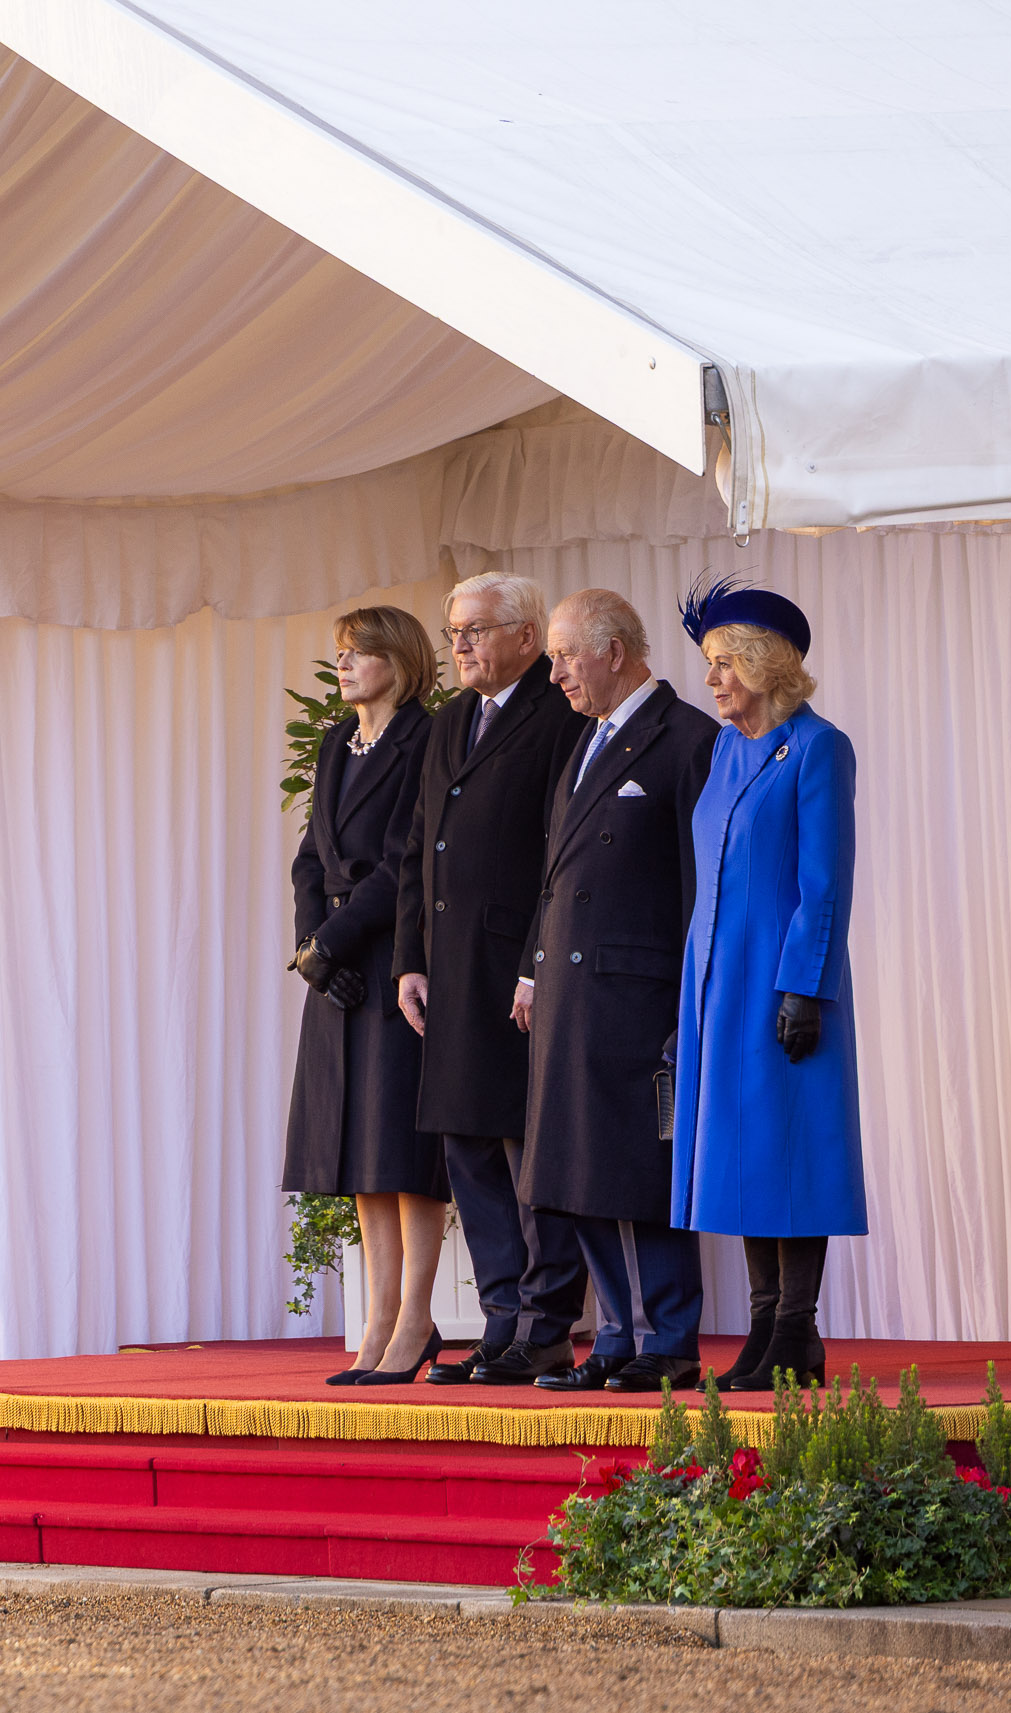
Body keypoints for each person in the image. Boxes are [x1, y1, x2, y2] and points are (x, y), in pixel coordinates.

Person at [515, 591, 720, 1394]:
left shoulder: (686, 740)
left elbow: (700, 885)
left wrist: (688, 1003)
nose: (556, 671)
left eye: (565, 654)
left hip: (641, 996)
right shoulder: (584, 741)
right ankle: (615, 1336)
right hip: (570, 994)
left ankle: (667, 1338)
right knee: (579, 1171)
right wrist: (533, 968)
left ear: (613, 649)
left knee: (644, 1172)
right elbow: (556, 873)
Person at [393, 571, 589, 1387]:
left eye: (475, 629)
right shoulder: (449, 720)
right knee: (468, 1145)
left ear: (526, 636)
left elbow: (563, 855)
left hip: (517, 971)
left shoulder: (558, 717)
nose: (462, 644)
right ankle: (503, 1316)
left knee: (526, 1148)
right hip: (449, 971)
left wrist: (536, 962)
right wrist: (409, 956)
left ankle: (545, 1321)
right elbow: (418, 845)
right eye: (454, 632)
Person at [674, 579, 864, 1392]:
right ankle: (763, 1327)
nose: (713, 679)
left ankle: (797, 1328)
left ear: (765, 663)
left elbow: (824, 881)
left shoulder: (819, 747)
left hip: (786, 983)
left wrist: (804, 986)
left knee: (794, 1150)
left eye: (725, 663)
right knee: (744, 1158)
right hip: (718, 982)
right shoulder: (726, 748)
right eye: (710, 664)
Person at [281, 606, 448, 1385]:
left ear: (399, 660)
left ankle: (413, 1318)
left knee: (404, 1151)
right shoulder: (334, 743)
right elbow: (310, 854)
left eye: (359, 652)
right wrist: (311, 946)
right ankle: (376, 1318)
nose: (343, 664)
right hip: (338, 965)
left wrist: (334, 941)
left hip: (393, 956)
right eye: (339, 652)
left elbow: (404, 861)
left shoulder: (426, 738)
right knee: (361, 1154)